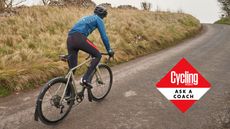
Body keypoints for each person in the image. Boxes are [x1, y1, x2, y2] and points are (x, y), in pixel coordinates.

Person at [67, 5, 114, 88]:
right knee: (98, 55)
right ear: (103, 15)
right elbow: (104, 36)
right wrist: (109, 50)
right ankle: (85, 79)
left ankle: (68, 94)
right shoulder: (98, 19)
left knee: (73, 68)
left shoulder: (86, 17)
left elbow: (75, 30)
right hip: (79, 38)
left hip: (70, 39)